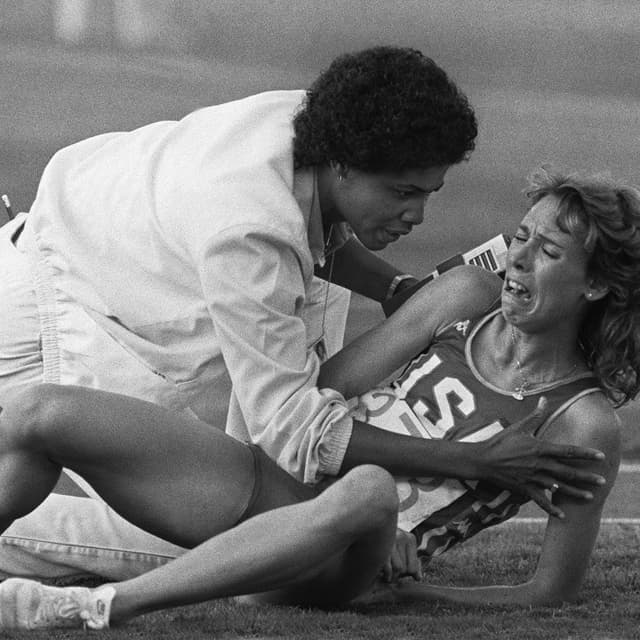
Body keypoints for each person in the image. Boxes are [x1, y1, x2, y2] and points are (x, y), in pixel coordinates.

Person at [0, 46, 601, 582]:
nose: (417, 215)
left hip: (84, 260)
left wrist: (390, 286)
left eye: (428, 192)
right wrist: (470, 460)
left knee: (215, 496)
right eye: (402, 192)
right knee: (189, 525)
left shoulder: (326, 123)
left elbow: (315, 229)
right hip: (59, 308)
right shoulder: (249, 229)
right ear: (344, 164)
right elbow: (295, 430)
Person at [0, 166, 636, 629]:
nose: (518, 260)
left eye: (548, 251)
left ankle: (94, 611)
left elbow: (549, 590)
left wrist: (414, 597)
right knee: (39, 413)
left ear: (597, 287)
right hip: (273, 484)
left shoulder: (582, 424)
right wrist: (470, 461)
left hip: (342, 562)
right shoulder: (467, 296)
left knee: (369, 491)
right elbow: (325, 391)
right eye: (520, 237)